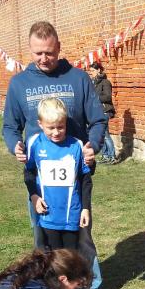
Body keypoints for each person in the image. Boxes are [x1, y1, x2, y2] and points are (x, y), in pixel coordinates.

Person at [2, 20, 109, 289]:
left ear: (59, 48)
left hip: (75, 179)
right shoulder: (20, 84)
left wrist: (93, 145)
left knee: (82, 236)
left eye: (49, 52)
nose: (43, 58)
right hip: (42, 181)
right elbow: (10, 126)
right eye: (37, 53)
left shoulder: (78, 79)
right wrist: (15, 146)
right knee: (43, 240)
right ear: (29, 49)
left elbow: (98, 120)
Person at [25, 97, 91, 252]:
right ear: (40, 124)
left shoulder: (76, 145)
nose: (56, 132)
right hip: (48, 215)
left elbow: (85, 179)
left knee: (70, 257)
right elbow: (29, 172)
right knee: (52, 258)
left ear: (66, 123)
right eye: (51, 128)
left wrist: (85, 208)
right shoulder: (34, 143)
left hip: (71, 215)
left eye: (60, 127)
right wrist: (33, 195)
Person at [90, 62, 117, 164]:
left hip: (105, 110)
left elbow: (108, 97)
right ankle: (105, 156)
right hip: (97, 111)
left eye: (93, 71)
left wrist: (95, 98)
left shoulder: (105, 82)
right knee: (101, 135)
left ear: (98, 70)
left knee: (105, 135)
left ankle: (112, 156)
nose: (91, 73)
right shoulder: (94, 83)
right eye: (90, 71)